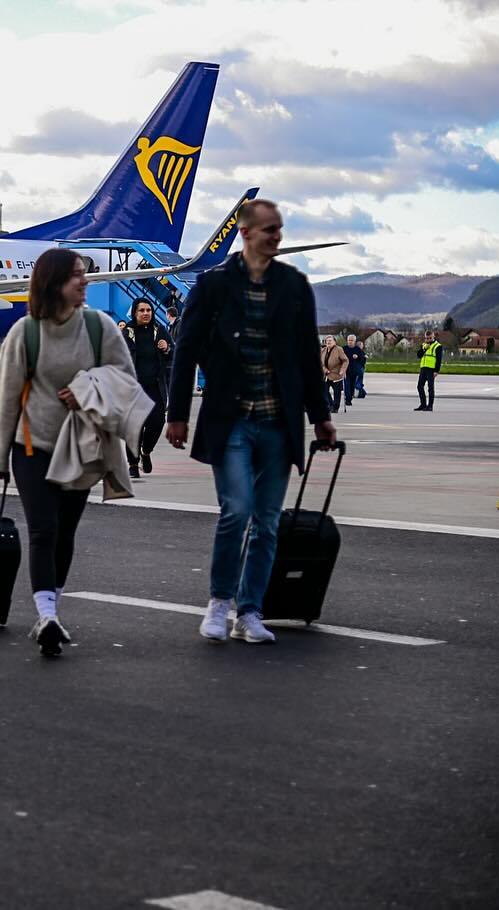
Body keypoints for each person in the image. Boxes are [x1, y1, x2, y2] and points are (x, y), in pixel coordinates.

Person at [165, 198, 336, 645]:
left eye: (279, 229)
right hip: (232, 418)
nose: (277, 237)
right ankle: (219, 602)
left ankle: (251, 610)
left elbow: (306, 359)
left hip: (279, 421)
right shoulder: (215, 284)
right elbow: (185, 351)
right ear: (246, 234)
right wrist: (177, 414)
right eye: (269, 230)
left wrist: (321, 417)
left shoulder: (295, 286)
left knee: (266, 519)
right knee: (236, 510)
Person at [0, 249, 136, 656]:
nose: (84, 281)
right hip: (32, 446)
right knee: (43, 529)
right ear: (53, 282)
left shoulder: (99, 327)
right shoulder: (25, 332)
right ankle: (46, 613)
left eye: (83, 275)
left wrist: (88, 388)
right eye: (75, 276)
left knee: (66, 532)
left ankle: (53, 605)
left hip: (82, 445)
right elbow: (7, 398)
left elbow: (126, 379)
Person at [122, 298, 174, 478]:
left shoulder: (160, 331)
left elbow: (173, 355)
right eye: (141, 310)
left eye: (149, 310)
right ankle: (133, 464)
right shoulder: (126, 333)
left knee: (157, 423)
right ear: (135, 312)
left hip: (155, 387)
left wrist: (167, 348)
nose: (146, 313)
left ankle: (146, 451)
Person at [415, 330, 444, 411]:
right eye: (427, 338)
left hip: (431, 370)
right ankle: (423, 404)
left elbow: (439, 360)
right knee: (419, 386)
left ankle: (430, 406)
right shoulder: (424, 345)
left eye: (430, 338)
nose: (428, 340)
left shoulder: (438, 346)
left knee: (430, 388)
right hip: (423, 368)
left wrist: (436, 371)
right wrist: (424, 349)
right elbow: (418, 355)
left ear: (433, 337)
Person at [321, 335, 348, 413]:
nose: (328, 342)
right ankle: (330, 405)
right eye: (327, 341)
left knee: (337, 392)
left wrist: (343, 370)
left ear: (334, 342)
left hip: (337, 374)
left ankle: (335, 407)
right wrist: (325, 369)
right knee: (324, 390)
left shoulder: (339, 349)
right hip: (326, 375)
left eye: (330, 340)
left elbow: (345, 360)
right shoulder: (323, 350)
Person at [342, 334, 365, 408]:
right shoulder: (343, 349)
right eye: (349, 340)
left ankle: (350, 397)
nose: (350, 342)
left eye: (352, 340)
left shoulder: (358, 350)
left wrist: (358, 357)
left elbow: (362, 360)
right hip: (346, 371)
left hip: (354, 371)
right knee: (347, 386)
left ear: (355, 341)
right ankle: (347, 399)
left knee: (352, 386)